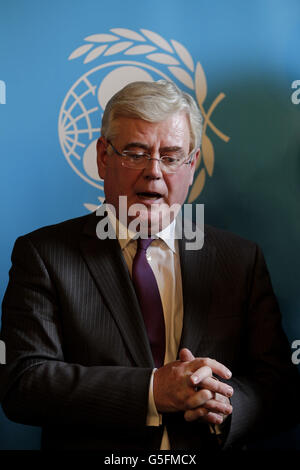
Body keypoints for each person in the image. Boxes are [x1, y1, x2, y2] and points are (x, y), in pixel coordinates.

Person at [0, 80, 299, 451]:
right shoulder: (44, 255)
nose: (154, 171)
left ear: (191, 167)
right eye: (135, 153)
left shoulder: (240, 259)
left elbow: (280, 387)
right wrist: (154, 390)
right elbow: (23, 384)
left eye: (171, 156)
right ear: (103, 157)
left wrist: (225, 403)